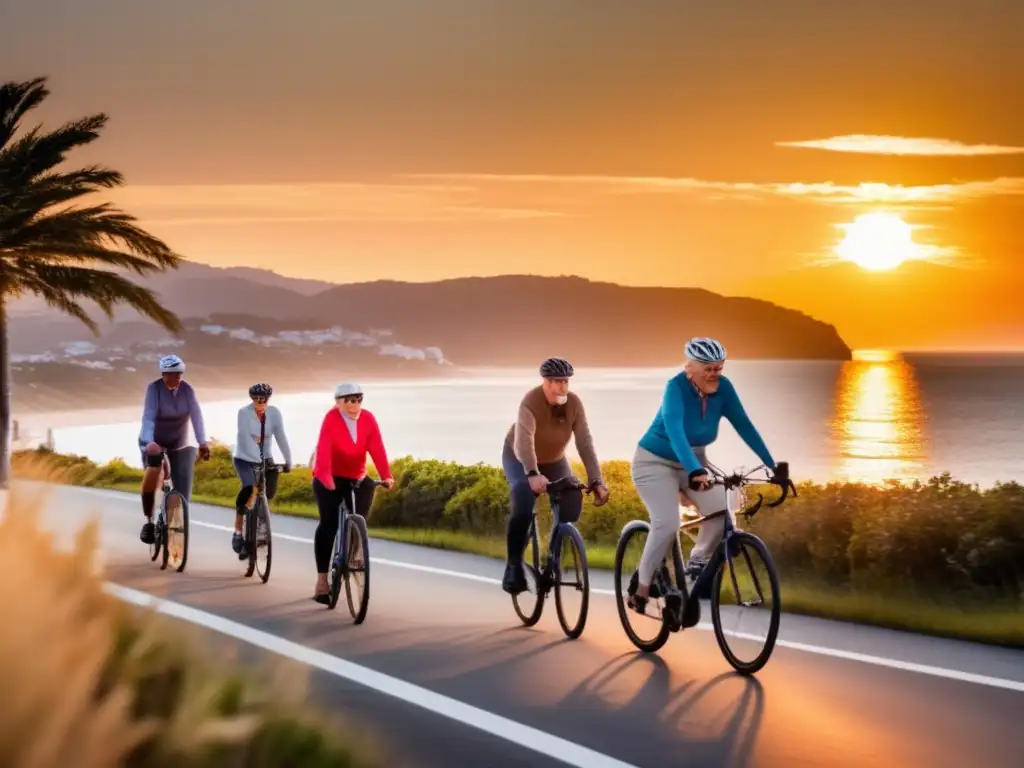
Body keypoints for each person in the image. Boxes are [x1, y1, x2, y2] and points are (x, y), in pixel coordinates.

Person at [627, 337, 786, 614]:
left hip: (696, 460)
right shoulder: (674, 388)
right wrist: (694, 470)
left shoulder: (724, 389)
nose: (714, 374)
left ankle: (697, 562)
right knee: (667, 523)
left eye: (719, 368)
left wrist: (773, 467)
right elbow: (675, 431)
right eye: (708, 368)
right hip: (654, 463)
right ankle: (641, 588)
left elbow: (744, 426)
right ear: (691, 367)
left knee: (723, 511)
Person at [501, 357, 610, 595]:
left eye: (565, 381)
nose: (561, 386)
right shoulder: (530, 402)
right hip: (519, 458)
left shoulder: (574, 404)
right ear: (545, 382)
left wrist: (596, 479)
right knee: (523, 499)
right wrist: (532, 473)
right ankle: (513, 567)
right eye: (556, 381)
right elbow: (524, 442)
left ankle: (553, 556)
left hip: (555, 460)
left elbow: (584, 441)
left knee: (571, 500)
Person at [310, 383, 394, 603]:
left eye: (358, 400)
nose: (354, 405)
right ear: (338, 402)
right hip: (329, 474)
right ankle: (321, 582)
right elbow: (325, 448)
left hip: (356, 475)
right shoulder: (331, 419)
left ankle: (354, 550)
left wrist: (386, 475)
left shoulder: (368, 419)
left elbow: (377, 447)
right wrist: (327, 479)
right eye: (348, 400)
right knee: (328, 524)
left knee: (360, 519)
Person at [137, 354, 210, 545]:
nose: (176, 378)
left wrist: (203, 442)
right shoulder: (154, 389)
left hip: (179, 442)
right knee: (155, 473)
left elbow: (197, 416)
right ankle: (150, 522)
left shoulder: (188, 390)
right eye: (171, 374)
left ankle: (175, 523)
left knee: (183, 490)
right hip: (154, 441)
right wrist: (148, 442)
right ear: (163, 374)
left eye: (178, 374)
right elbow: (149, 417)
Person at [230, 383, 293, 558]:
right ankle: (238, 531)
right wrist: (257, 458)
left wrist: (288, 461)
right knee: (249, 487)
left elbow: (281, 436)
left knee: (267, 493)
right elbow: (244, 437)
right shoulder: (244, 413)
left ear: (268, 399)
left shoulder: (274, 413)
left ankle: (261, 524)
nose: (260, 402)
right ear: (252, 399)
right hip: (243, 458)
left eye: (263, 399)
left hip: (265, 458)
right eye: (256, 399)